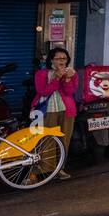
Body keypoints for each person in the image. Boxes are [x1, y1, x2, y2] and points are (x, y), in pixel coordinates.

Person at [33, 47, 78, 178]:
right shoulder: (41, 74)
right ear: (51, 60)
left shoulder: (71, 73)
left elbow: (70, 92)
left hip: (66, 111)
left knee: (64, 141)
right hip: (47, 110)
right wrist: (57, 78)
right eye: (58, 58)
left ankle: (59, 169)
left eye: (64, 58)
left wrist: (68, 79)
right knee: (44, 140)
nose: (62, 61)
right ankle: (37, 171)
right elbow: (43, 91)